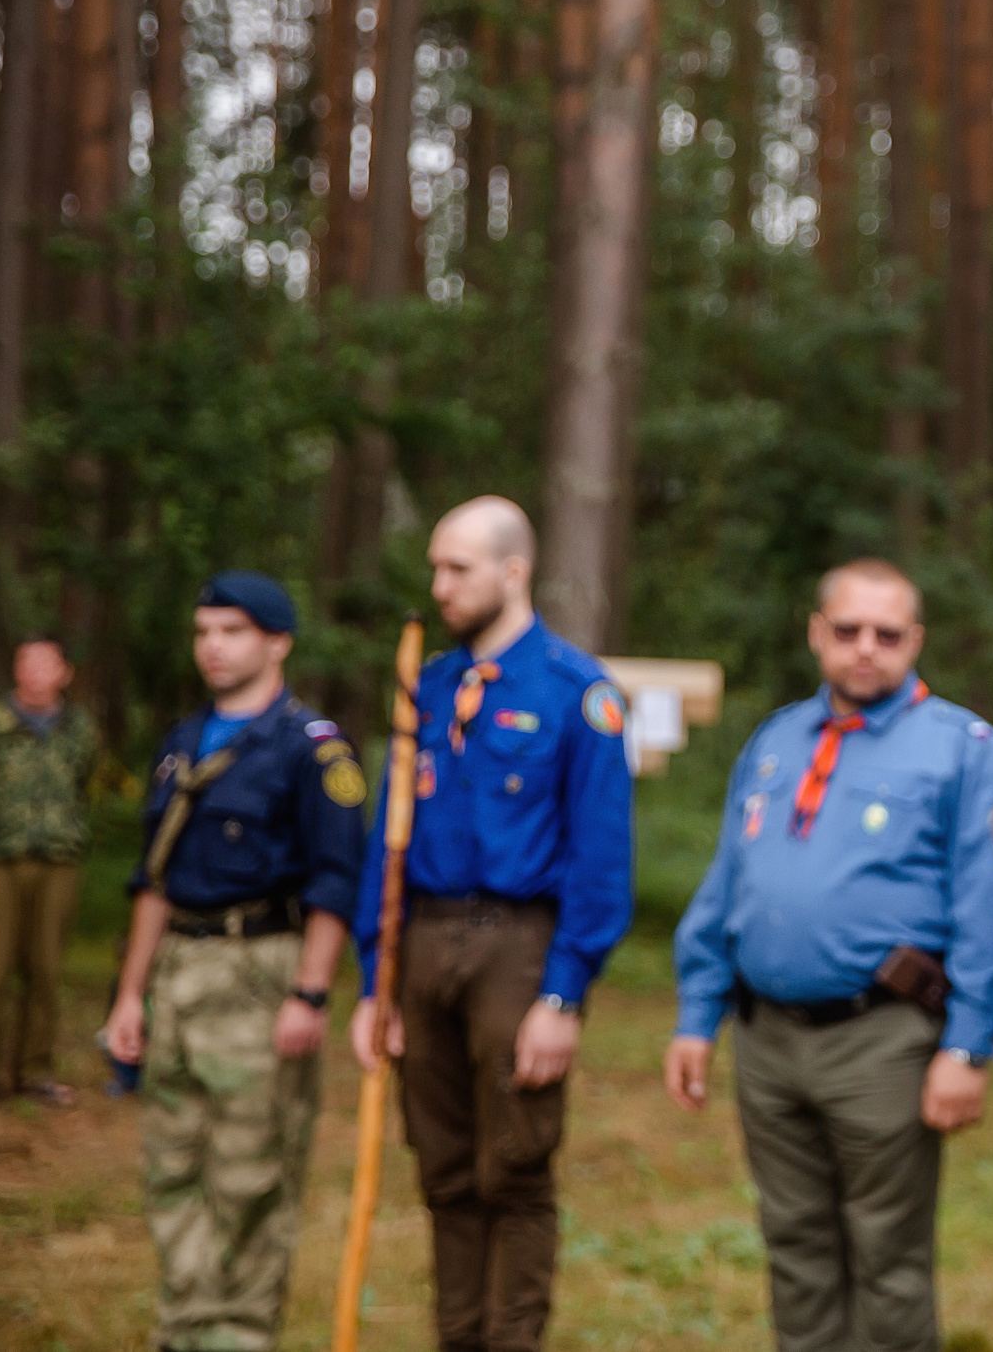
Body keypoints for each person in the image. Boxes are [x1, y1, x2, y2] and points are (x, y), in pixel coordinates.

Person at [665, 560, 993, 1352]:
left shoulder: (966, 749)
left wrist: (969, 1047)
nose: (866, 647)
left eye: (888, 633)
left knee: (887, 1261)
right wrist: (698, 1012)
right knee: (794, 1246)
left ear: (916, 641)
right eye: (847, 630)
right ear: (816, 632)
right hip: (766, 1039)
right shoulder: (776, 738)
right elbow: (728, 880)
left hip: (884, 1041)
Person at [350, 496, 634, 1352]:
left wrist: (564, 990)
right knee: (443, 1171)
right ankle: (458, 1337)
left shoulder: (576, 692)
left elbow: (600, 854)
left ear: (513, 571)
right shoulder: (429, 688)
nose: (439, 585)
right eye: (435, 567)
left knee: (511, 1170)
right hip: (424, 939)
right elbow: (388, 844)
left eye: (457, 568)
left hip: (517, 945)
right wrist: (377, 980)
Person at [101, 573, 364, 1352]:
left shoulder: (312, 747)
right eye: (204, 630)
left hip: (262, 970)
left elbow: (335, 880)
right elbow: (153, 878)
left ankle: (239, 1335)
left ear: (278, 641)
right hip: (179, 970)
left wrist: (310, 993)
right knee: (171, 1165)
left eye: (233, 630)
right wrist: (129, 997)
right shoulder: (181, 743)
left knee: (251, 1176)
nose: (213, 645)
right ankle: (185, 1326)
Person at [0, 633, 119, 1110]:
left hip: (58, 859)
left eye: (45, 663)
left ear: (64, 673)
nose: (35, 672)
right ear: (16, 670)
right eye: (26, 663)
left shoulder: (80, 728)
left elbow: (87, 780)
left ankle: (35, 1071)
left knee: (46, 970)